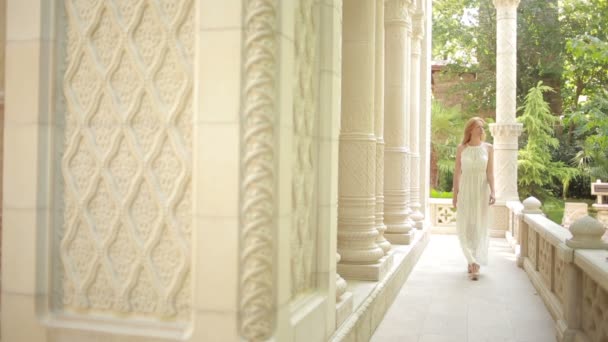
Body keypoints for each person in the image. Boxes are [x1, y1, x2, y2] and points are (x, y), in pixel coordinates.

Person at [452, 117, 495, 280]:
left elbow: (490, 173)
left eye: (482, 128)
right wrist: (455, 194)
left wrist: (493, 192)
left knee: (480, 225)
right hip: (466, 190)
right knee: (466, 225)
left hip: (482, 190)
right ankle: (470, 259)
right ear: (470, 129)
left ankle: (475, 262)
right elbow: (457, 173)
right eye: (478, 127)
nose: (482, 130)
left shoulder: (489, 148)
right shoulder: (461, 148)